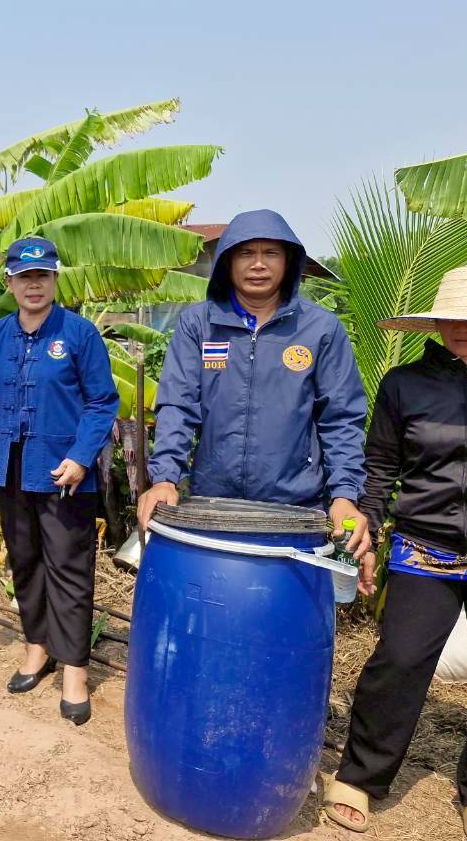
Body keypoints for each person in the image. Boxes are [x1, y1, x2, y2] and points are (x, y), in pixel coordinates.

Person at [324, 264, 467, 839]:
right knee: (398, 662)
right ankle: (361, 776)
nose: (462, 328)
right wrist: (366, 526)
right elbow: (378, 471)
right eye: (453, 317)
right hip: (425, 549)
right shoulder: (404, 384)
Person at [137, 209, 373, 581]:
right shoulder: (199, 324)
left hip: (296, 510)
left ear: (289, 261)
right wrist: (165, 477)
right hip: (213, 504)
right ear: (227, 262)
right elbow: (178, 406)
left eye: (271, 254)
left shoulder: (320, 329)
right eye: (247, 254)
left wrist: (345, 494)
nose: (259, 265)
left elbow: (341, 420)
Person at [0, 237, 120, 725]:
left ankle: (74, 668)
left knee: (69, 571)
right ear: (10, 282)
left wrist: (80, 456)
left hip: (63, 475)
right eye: (24, 277)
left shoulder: (78, 334)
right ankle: (37, 646)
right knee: (25, 562)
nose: (33, 285)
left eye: (42, 276)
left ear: (54, 280)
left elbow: (102, 402)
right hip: (10, 469)